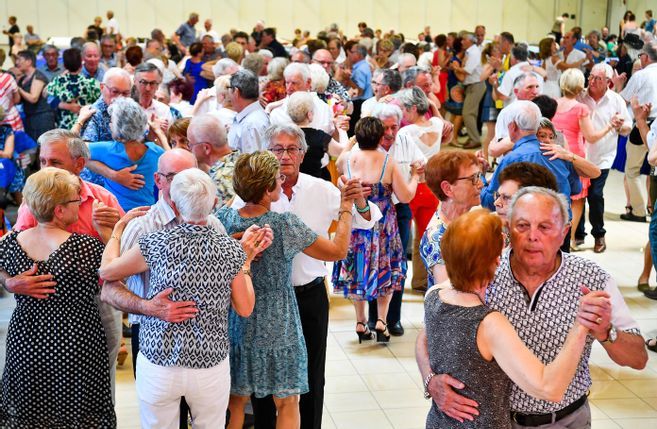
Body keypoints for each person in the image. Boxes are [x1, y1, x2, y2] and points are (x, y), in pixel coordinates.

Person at [417, 187, 647, 427]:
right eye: (522, 226)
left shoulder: (592, 279)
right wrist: (430, 379)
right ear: (509, 230)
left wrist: (604, 331)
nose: (532, 237)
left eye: (545, 227)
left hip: (567, 420)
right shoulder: (485, 272)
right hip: (500, 419)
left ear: (564, 231)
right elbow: (427, 335)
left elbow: (639, 358)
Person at [232, 123, 381, 429]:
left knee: (311, 375)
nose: (284, 156)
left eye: (292, 149)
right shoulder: (247, 197)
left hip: (308, 294)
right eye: (277, 149)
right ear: (265, 154)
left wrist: (358, 202)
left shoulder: (322, 189)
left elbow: (367, 222)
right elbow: (229, 233)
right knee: (265, 377)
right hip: (265, 298)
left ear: (303, 154)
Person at [99, 168, 267, 429]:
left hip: (159, 360)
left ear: (174, 204)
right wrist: (245, 262)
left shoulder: (155, 243)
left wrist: (117, 232)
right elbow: (245, 308)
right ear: (213, 203)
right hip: (209, 362)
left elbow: (107, 272)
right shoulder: (230, 249)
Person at [216, 150, 356, 429]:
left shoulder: (223, 220)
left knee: (234, 401)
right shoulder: (284, 225)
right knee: (288, 402)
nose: (282, 182)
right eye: (278, 179)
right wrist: (346, 208)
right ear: (269, 190)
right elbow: (338, 250)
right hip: (280, 320)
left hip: (237, 318)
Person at [423, 208, 591, 428]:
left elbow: (423, 339)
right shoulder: (488, 323)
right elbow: (548, 388)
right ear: (496, 261)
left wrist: (428, 378)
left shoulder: (434, 296)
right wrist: (581, 325)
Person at [11, 129, 125, 399]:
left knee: (98, 379)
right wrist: (11, 281)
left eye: (55, 163)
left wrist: (109, 233)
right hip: (44, 305)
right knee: (45, 382)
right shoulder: (33, 202)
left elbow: (125, 257)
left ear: (79, 165)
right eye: (43, 162)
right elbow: (10, 251)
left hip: (98, 302)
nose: (46, 170)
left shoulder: (103, 201)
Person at [0, 167, 116, 427]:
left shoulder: (10, 243)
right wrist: (108, 233)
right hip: (77, 339)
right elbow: (116, 273)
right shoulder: (85, 247)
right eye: (76, 200)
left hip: (27, 338)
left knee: (31, 407)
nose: (80, 205)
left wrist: (8, 280)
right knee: (79, 408)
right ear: (60, 210)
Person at [334, 117, 420, 343]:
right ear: (380, 137)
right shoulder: (387, 161)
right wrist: (416, 177)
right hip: (384, 224)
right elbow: (405, 196)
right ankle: (382, 320)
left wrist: (351, 142)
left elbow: (338, 162)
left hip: (357, 224)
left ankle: (361, 321)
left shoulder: (348, 160)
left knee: (358, 268)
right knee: (387, 269)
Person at [552, 68, 616, 249]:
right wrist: (609, 126)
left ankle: (559, 236)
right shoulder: (581, 108)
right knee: (577, 199)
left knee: (560, 196)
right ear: (580, 85)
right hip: (575, 156)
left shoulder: (555, 104)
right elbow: (591, 137)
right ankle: (569, 240)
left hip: (557, 153)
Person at [574, 63, 632, 253]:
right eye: (590, 76)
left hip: (603, 157)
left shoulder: (616, 100)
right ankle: (578, 234)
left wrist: (618, 125)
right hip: (580, 155)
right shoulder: (580, 96)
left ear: (608, 81)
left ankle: (599, 235)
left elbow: (627, 128)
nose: (592, 81)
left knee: (595, 195)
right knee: (578, 195)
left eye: (597, 78)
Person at [87, 97, 167, 211]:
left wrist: (111, 174)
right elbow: (173, 159)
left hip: (116, 216)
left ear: (118, 126)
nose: (110, 124)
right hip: (147, 215)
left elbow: (73, 150)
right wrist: (160, 134)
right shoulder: (156, 152)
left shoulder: (108, 149)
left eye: (112, 121)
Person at [419, 150, 483, 286]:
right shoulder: (439, 240)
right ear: (448, 189)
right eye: (473, 179)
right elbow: (450, 300)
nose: (481, 184)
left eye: (479, 175)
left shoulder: (464, 219)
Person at [287, 91, 347, 179]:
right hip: (317, 185)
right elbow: (343, 151)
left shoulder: (283, 136)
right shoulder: (319, 137)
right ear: (309, 114)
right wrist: (341, 128)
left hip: (290, 185)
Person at [188, 114, 240, 207]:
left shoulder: (217, 181)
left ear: (206, 148)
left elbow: (217, 220)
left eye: (190, 144)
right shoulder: (245, 160)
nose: (189, 149)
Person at [46, 48, 101, 129]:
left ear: (64, 65)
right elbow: (100, 102)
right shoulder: (92, 83)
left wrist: (66, 106)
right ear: (81, 64)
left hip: (64, 128)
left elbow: (48, 98)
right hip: (85, 126)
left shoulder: (58, 81)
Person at [15, 50, 56, 142]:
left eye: (19, 59)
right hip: (30, 118)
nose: (17, 62)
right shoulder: (22, 79)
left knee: (44, 148)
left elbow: (33, 98)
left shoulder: (38, 76)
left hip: (42, 118)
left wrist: (18, 88)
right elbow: (18, 100)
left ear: (29, 61)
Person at [227, 69, 270, 153]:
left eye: (229, 88)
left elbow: (252, 164)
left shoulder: (250, 124)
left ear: (236, 92)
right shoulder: (251, 118)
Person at [0, 66, 23, 132]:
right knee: (18, 140)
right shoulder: (8, 77)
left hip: (6, 120)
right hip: (11, 117)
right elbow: (17, 99)